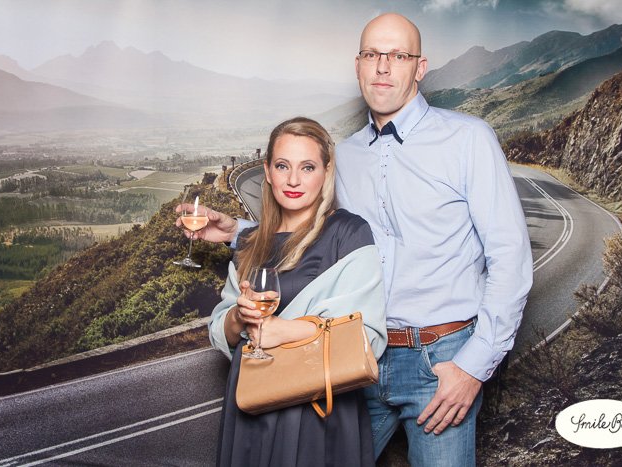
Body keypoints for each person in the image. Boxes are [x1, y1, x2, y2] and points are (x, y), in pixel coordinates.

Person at [186, 13, 532, 467]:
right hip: (351, 357)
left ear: (420, 68)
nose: (383, 67)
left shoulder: (468, 140)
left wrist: (473, 366)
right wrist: (235, 232)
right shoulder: (343, 156)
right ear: (358, 66)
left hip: (439, 359)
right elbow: (314, 229)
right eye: (372, 55)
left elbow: (510, 258)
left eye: (398, 56)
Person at [206, 117, 387, 467]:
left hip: (318, 407)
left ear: (326, 171)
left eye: (307, 167)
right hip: (251, 402)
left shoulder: (348, 233)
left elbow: (369, 337)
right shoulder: (249, 241)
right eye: (282, 166)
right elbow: (221, 330)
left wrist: (284, 331)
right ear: (267, 171)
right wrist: (238, 317)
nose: (293, 180)